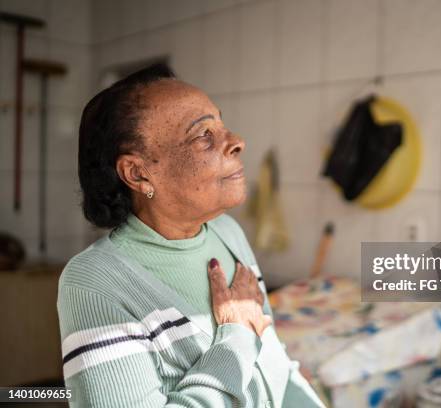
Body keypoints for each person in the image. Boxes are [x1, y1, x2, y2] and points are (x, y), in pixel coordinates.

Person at [57, 64, 325, 408]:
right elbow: (249, 338)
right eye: (203, 136)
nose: (237, 142)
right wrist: (237, 337)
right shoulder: (95, 282)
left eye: (222, 125)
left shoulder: (227, 232)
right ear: (138, 173)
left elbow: (274, 362)